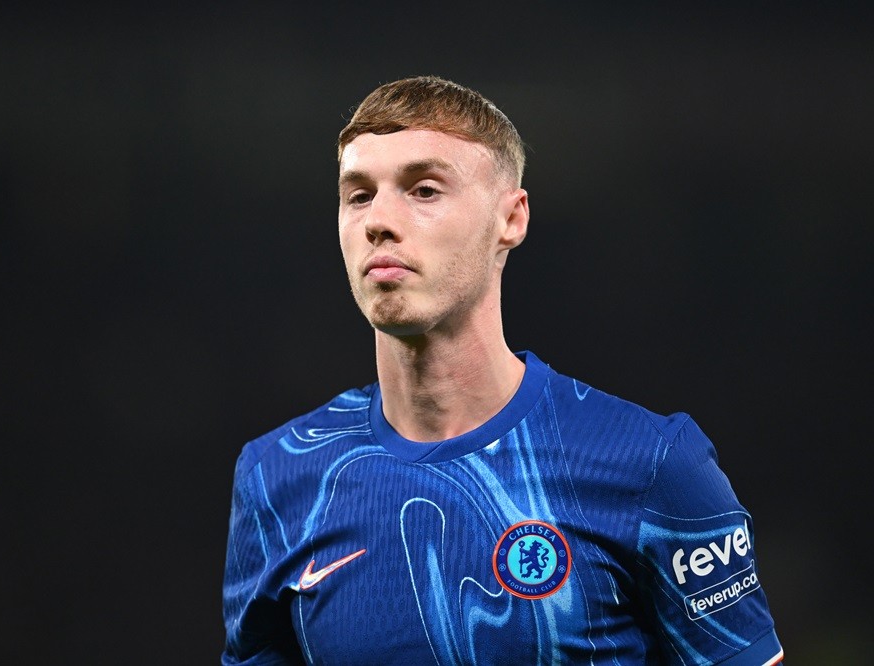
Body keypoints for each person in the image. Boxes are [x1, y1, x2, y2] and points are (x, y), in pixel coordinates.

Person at [221, 76, 783, 665]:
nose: (378, 220)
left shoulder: (652, 465)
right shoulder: (275, 476)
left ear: (510, 219)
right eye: (358, 195)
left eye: (424, 189)